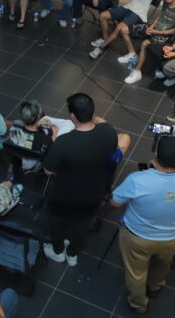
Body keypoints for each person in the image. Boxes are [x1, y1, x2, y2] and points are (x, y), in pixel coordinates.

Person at [110, 135, 175, 315]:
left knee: (136, 274)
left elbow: (114, 202)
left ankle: (139, 304)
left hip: (138, 238)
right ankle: (155, 287)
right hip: (172, 238)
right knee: (162, 265)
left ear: (156, 155)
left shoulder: (137, 180)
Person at [42, 93, 130, 266]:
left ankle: (58, 251)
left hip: (64, 194)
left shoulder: (63, 142)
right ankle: (72, 255)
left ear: (72, 116)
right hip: (93, 192)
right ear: (93, 113)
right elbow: (105, 130)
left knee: (56, 219)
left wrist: (54, 138)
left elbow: (48, 170)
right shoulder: (108, 132)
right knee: (81, 223)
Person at [123, 0, 175, 84]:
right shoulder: (166, 2)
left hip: (164, 36)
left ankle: (137, 72)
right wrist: (152, 26)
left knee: (144, 44)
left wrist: (156, 32)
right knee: (124, 29)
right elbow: (160, 16)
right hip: (155, 29)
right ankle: (132, 54)